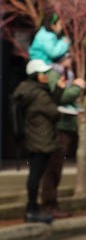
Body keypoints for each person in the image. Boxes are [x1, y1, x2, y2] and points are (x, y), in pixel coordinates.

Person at [11, 59, 66, 224]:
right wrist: (58, 89)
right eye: (44, 73)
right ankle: (32, 209)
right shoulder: (38, 94)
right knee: (36, 174)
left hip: (33, 137)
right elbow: (54, 112)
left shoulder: (27, 91)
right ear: (35, 75)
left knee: (35, 173)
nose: (47, 76)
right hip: (40, 139)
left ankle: (32, 208)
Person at [40, 52, 86, 218]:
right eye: (68, 56)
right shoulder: (54, 73)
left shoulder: (66, 74)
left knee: (57, 167)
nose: (71, 59)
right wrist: (78, 87)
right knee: (53, 168)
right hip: (58, 126)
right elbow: (61, 97)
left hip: (67, 124)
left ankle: (52, 204)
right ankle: (49, 205)